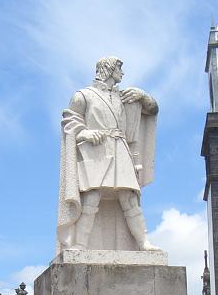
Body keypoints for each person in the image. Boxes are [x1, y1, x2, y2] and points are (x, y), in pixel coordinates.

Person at [57, 56, 160, 252]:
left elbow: (152, 109)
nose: (122, 73)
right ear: (110, 69)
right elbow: (69, 121)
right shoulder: (83, 95)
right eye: (119, 69)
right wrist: (85, 132)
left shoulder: (125, 96)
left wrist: (143, 95)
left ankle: (143, 243)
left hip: (120, 149)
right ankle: (80, 245)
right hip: (96, 151)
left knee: (129, 197)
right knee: (92, 197)